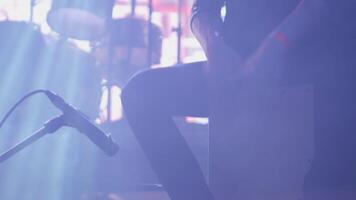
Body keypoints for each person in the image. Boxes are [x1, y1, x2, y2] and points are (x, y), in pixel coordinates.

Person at [121, 0, 356, 200]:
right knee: (140, 94)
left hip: (313, 67)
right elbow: (202, 8)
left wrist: (276, 45)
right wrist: (214, 45)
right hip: (238, 69)